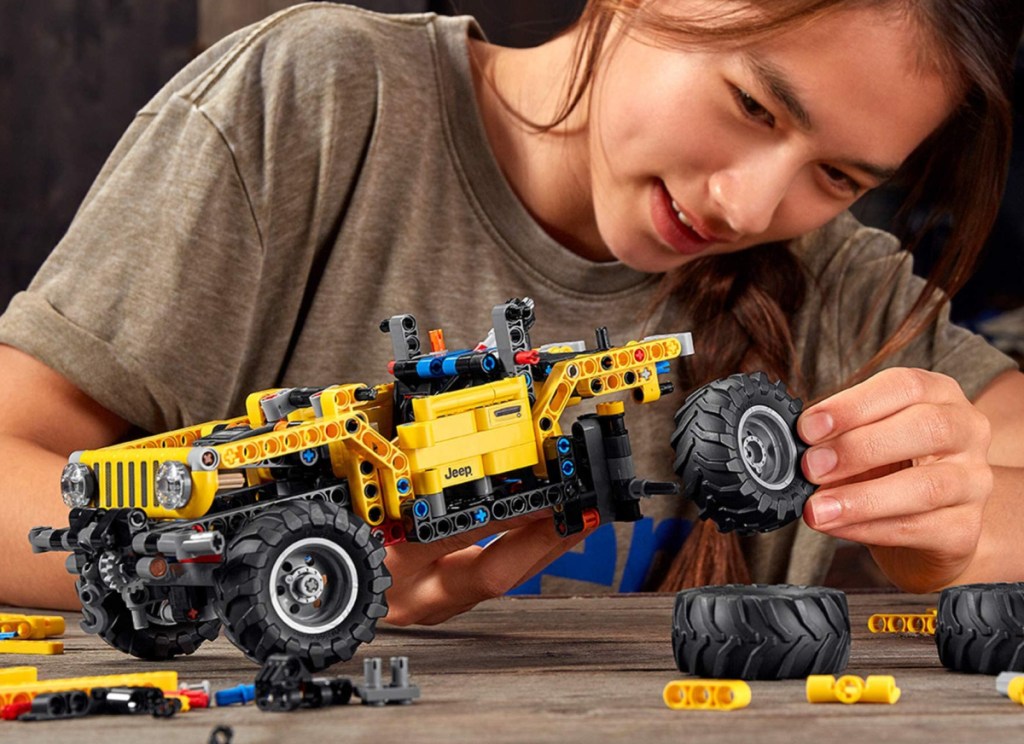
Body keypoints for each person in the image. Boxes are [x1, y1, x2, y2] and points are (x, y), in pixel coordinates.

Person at [0, 0, 1022, 629]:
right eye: (754, 106)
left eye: (835, 174)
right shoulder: (319, 107)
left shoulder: (837, 286)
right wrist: (263, 562)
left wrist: (950, 530)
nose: (749, 207)